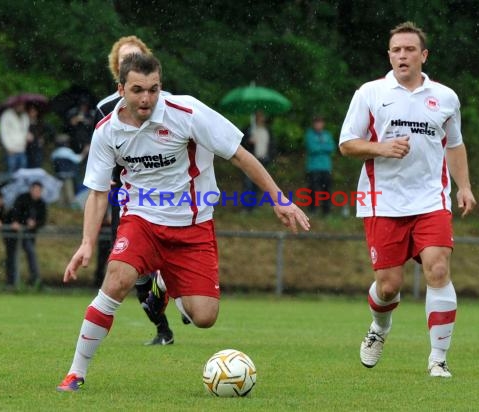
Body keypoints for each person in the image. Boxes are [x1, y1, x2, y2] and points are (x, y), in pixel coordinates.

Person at [56, 53, 310, 392]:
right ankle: (76, 373)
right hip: (141, 219)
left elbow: (239, 154)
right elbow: (99, 193)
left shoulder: (187, 112)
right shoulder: (107, 132)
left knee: (204, 317)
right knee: (117, 280)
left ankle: (163, 283)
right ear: (121, 90)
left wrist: (279, 198)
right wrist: (87, 242)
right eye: (137, 90)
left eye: (153, 89)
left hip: (193, 225)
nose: (146, 98)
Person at [339, 21, 476, 378]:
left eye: (410, 49)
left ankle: (438, 359)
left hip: (431, 200)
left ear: (423, 55)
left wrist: (464, 186)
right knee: (389, 286)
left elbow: (455, 145)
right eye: (396, 50)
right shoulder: (369, 93)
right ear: (389, 55)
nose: (402, 55)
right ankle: (379, 330)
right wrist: (381, 147)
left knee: (439, 269)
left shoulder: (445, 97)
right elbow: (347, 143)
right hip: (382, 201)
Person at [94, 35, 178, 347]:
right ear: (117, 71)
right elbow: (101, 151)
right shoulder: (105, 109)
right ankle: (163, 329)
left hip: (167, 195)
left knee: (168, 256)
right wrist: (107, 184)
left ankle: (178, 289)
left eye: (137, 57)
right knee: (134, 271)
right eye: (124, 60)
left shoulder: (166, 105)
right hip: (127, 197)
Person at [3, 181, 47, 286]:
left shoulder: (41, 204)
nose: (37, 192)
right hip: (13, 234)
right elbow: (15, 212)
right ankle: (11, 281)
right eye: (35, 190)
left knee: (31, 253)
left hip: (27, 234)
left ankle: (35, 280)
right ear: (31, 190)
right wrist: (17, 222)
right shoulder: (22, 198)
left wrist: (34, 223)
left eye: (39, 191)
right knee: (12, 256)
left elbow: (43, 220)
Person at [304, 115, 335, 217]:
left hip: (326, 167)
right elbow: (312, 148)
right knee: (313, 189)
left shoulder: (327, 135)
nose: (318, 124)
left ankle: (326, 211)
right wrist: (323, 147)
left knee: (326, 190)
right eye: (317, 122)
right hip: (313, 167)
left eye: (320, 122)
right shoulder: (309, 135)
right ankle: (312, 210)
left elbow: (332, 147)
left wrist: (320, 147)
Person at [242, 110, 272, 211]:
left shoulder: (267, 130)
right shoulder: (249, 130)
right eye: (259, 116)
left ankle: (255, 206)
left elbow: (271, 145)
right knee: (248, 184)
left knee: (259, 184)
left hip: (263, 159)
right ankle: (247, 207)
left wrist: (271, 156)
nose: (260, 118)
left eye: (262, 116)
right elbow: (242, 145)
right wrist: (249, 141)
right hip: (251, 159)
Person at [0, 100, 30, 174]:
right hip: (11, 150)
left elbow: (25, 131)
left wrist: (27, 137)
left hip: (22, 149)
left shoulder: (25, 116)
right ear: (15, 105)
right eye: (19, 105)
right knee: (10, 172)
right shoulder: (6, 115)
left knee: (22, 172)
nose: (21, 107)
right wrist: (8, 147)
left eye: (22, 105)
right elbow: (3, 133)